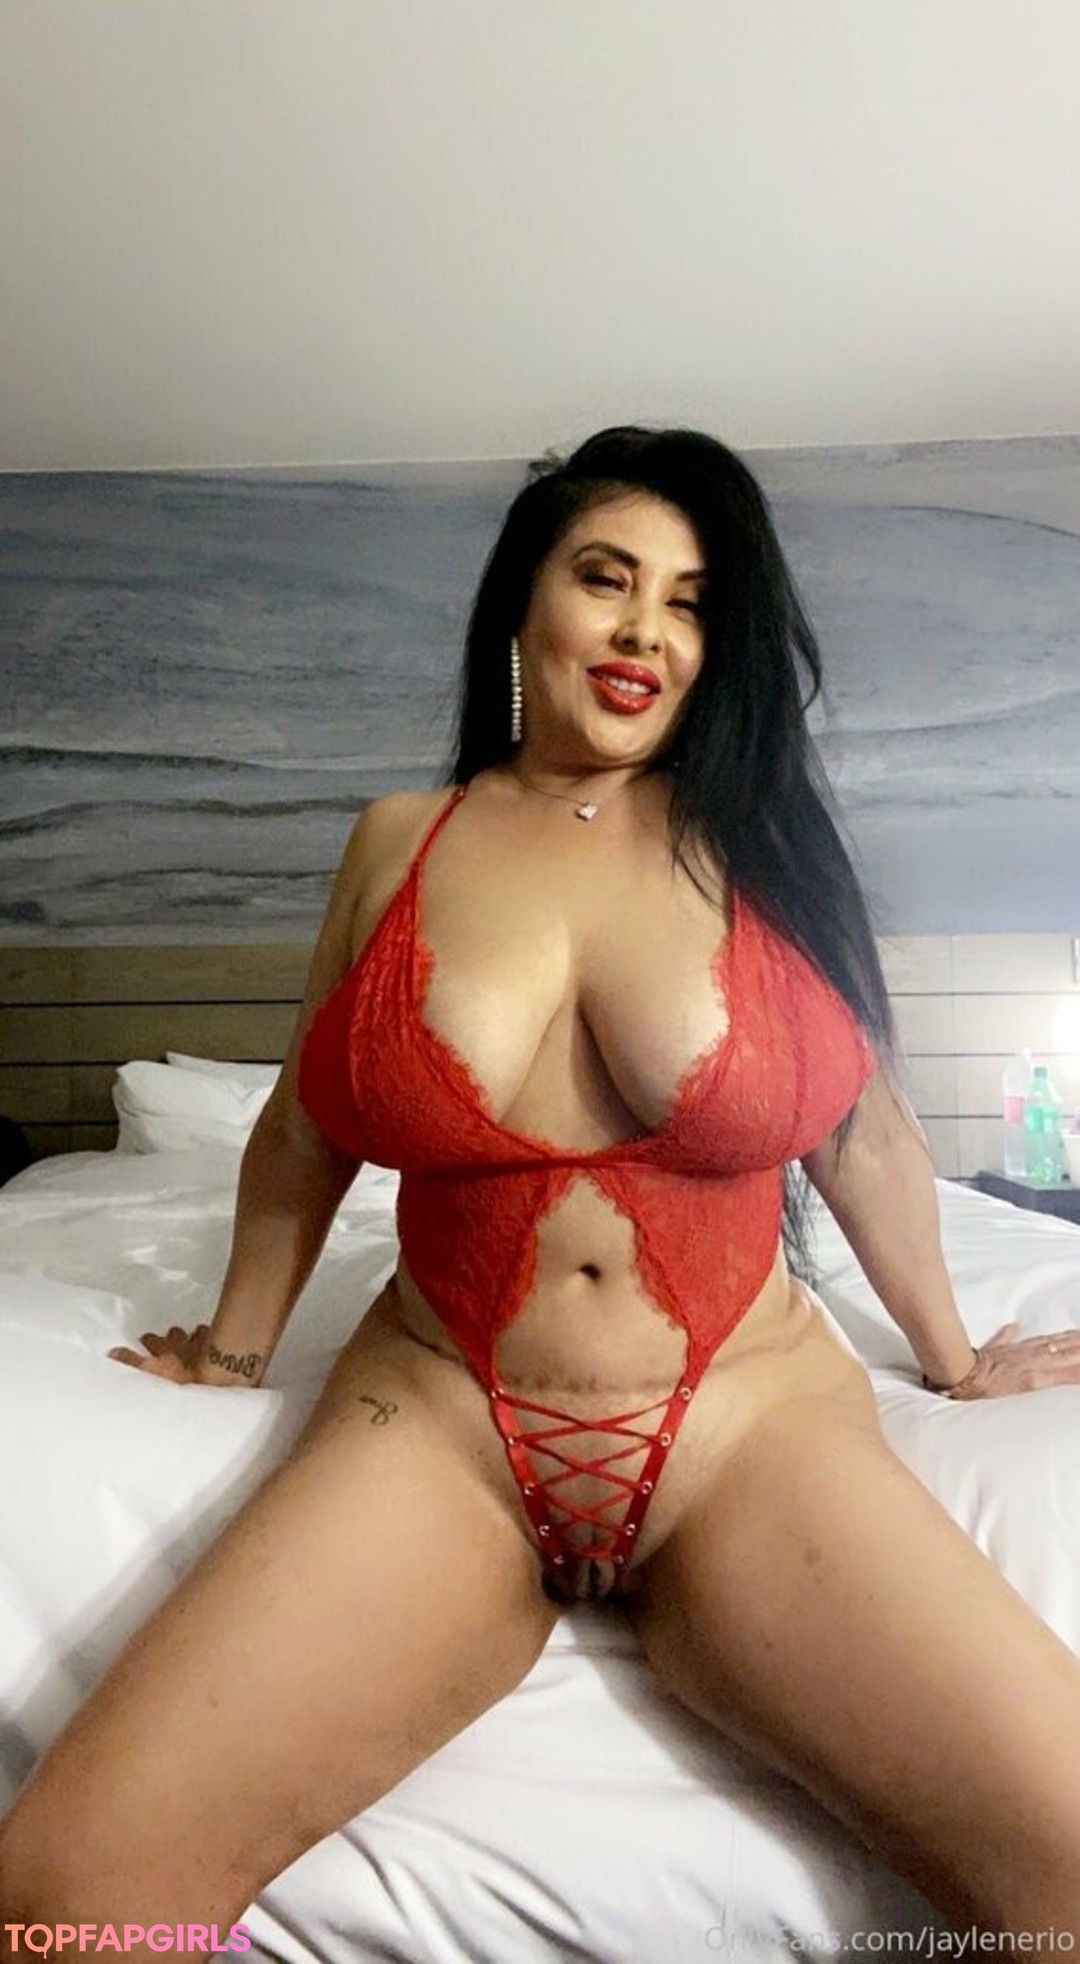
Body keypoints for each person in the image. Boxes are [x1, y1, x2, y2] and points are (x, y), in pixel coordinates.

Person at [2, 425, 1080, 1947]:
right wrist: (234, 1351)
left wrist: (956, 1361)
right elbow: (305, 1127)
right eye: (607, 578)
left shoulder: (762, 845)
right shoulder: (401, 841)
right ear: (525, 603)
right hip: (439, 1423)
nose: (647, 631)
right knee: (65, 1893)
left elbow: (866, 1138)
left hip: (745, 1430)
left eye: (690, 603)